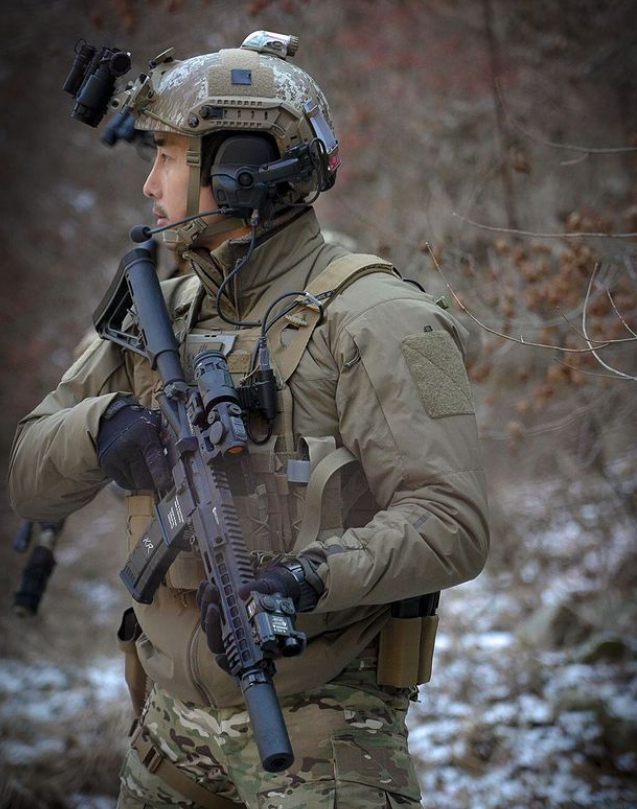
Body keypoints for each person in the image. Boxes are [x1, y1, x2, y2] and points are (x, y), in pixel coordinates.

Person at [9, 31, 490, 809]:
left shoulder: (381, 318)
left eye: (168, 156)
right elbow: (28, 479)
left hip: (322, 725)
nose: (148, 184)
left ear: (239, 168)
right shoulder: (157, 308)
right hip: (167, 728)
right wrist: (99, 427)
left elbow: (451, 522)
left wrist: (304, 578)